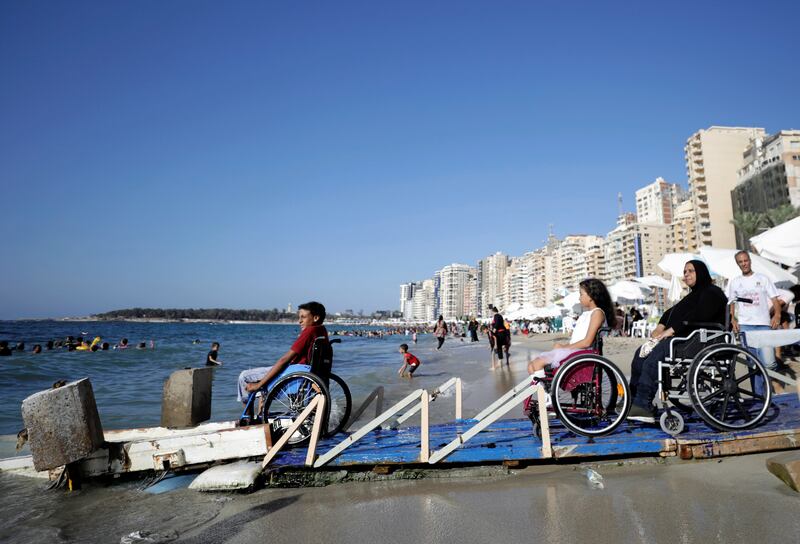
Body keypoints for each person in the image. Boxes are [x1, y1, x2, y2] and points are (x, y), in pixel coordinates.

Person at [628, 260, 727, 423]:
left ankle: (643, 403)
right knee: (641, 352)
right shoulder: (693, 295)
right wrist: (660, 327)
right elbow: (671, 312)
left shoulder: (712, 292)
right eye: (685, 271)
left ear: (701, 272)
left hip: (702, 341)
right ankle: (632, 400)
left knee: (657, 355)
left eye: (690, 271)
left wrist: (670, 330)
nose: (686, 274)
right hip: (687, 340)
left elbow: (699, 316)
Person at [527, 278, 615, 404]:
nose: (579, 298)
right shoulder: (586, 314)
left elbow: (587, 342)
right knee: (531, 366)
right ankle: (545, 392)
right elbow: (578, 339)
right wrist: (563, 346)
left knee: (538, 364)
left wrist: (564, 347)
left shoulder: (598, 313)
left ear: (591, 296)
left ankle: (547, 395)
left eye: (581, 294)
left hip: (583, 354)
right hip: (576, 352)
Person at [237, 301, 329, 413]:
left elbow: (285, 359)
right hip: (307, 371)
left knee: (244, 376)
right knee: (263, 378)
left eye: (303, 317)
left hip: (296, 370)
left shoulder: (309, 331)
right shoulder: (322, 331)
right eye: (299, 317)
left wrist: (259, 385)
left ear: (315, 318)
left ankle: (247, 416)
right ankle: (261, 415)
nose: (299, 321)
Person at [726, 250, 782, 393]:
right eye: (741, 262)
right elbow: (731, 303)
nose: (744, 264)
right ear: (737, 264)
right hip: (746, 327)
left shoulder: (763, 278)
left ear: (750, 260)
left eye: (746, 260)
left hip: (764, 325)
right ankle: (760, 397)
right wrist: (733, 319)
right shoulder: (735, 282)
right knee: (752, 364)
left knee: (769, 362)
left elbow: (775, 299)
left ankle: (770, 387)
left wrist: (777, 315)